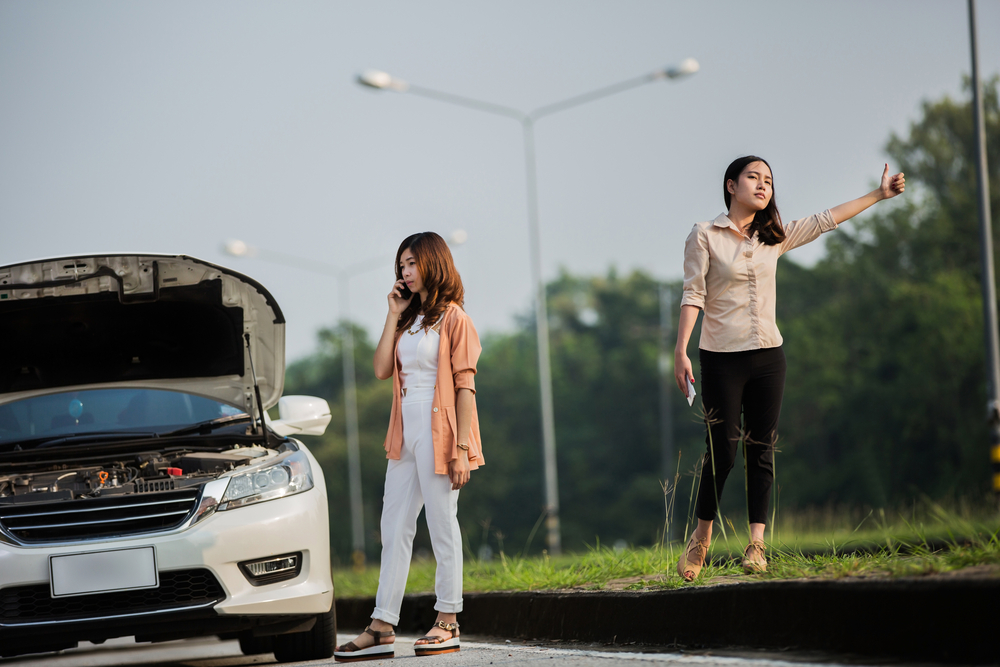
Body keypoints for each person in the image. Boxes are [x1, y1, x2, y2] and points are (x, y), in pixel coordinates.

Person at [674, 156, 904, 581]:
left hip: (768, 357)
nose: (763, 185)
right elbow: (694, 294)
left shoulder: (774, 236)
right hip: (721, 357)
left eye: (768, 180)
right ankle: (701, 535)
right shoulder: (704, 235)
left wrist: (879, 194)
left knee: (761, 448)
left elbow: (825, 219)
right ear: (730, 185)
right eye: (753, 178)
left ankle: (756, 543)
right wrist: (681, 349)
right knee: (721, 451)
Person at [334, 231, 484, 662]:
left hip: (442, 431)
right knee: (393, 526)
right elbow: (383, 368)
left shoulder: (455, 319)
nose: (405, 271)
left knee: (441, 525)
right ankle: (382, 625)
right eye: (401, 265)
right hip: (404, 432)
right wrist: (392, 313)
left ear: (433, 263)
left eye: (413, 263)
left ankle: (448, 620)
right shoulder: (406, 319)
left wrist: (460, 448)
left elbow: (465, 387)